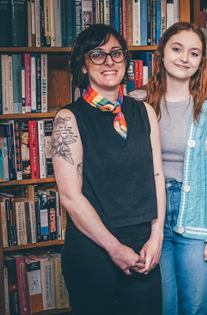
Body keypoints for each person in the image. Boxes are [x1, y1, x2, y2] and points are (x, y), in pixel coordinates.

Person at [52, 24, 165, 315]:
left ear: (125, 60)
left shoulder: (144, 111)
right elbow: (70, 198)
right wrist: (114, 249)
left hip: (144, 249)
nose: (109, 62)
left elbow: (156, 176)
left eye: (116, 53)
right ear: (83, 64)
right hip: (93, 250)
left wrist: (157, 237)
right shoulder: (69, 118)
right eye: (97, 54)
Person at [133, 21, 207, 315]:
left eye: (194, 53)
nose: (184, 58)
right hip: (152, 218)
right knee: (162, 304)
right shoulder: (138, 103)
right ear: (161, 53)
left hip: (198, 218)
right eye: (177, 49)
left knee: (193, 306)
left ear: (201, 61)